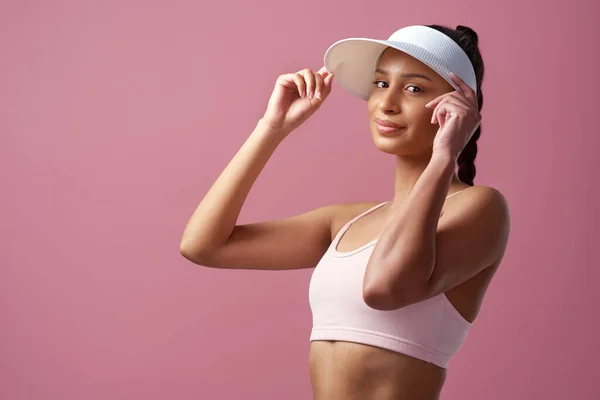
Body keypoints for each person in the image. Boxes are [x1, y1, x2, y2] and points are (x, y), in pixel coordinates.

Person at [180, 24, 510, 400]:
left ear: (458, 109)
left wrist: (445, 155)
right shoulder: (346, 221)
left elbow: (385, 289)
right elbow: (203, 246)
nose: (387, 103)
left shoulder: (480, 207)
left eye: (414, 88)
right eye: (381, 84)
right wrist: (271, 128)